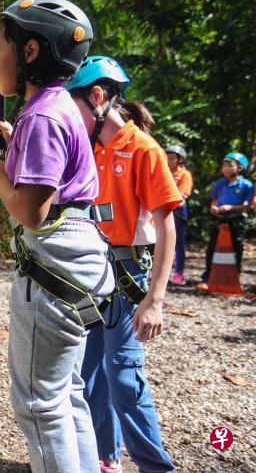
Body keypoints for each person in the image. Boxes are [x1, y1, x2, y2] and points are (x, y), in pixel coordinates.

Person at [0, 0, 115, 473]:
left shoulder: (39, 117)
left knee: (39, 406)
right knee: (67, 394)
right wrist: (13, 144)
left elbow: (33, 212)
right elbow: (58, 183)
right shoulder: (57, 108)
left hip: (53, 268)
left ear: (30, 53)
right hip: (81, 260)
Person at [64, 56, 181, 473]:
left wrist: (156, 299)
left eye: (74, 106)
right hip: (91, 274)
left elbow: (167, 228)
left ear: (97, 98)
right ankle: (104, 457)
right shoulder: (89, 147)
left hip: (128, 275)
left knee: (124, 377)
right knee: (89, 372)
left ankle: (156, 467)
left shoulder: (142, 149)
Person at [197, 152, 253, 289]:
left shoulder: (247, 185)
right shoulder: (219, 184)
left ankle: (234, 277)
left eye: (230, 165)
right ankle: (207, 277)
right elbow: (213, 201)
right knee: (212, 247)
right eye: (224, 165)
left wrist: (231, 207)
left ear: (240, 168)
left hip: (236, 219)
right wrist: (214, 208)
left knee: (236, 248)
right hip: (219, 219)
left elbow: (248, 205)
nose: (226, 168)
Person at [164, 145, 193, 285]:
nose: (168, 161)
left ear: (179, 160)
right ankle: (160, 272)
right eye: (167, 158)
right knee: (160, 241)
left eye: (171, 158)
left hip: (178, 211)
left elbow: (183, 194)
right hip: (163, 209)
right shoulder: (163, 171)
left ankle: (179, 273)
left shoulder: (184, 174)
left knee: (179, 243)